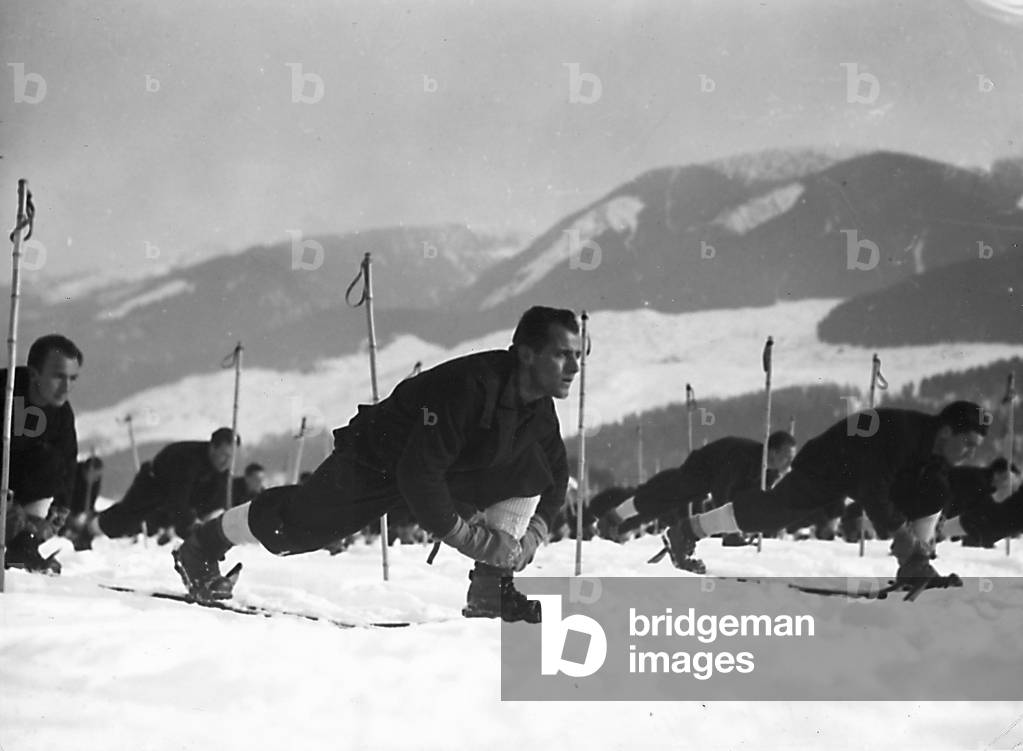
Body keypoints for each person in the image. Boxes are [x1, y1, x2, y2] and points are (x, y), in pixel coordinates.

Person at [174, 306, 580, 623]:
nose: (575, 369)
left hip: (440, 471)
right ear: (526, 354)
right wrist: (479, 542)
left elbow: (555, 479)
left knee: (528, 466)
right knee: (297, 528)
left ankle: (492, 589)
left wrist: (525, 543)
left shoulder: (539, 409)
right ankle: (202, 546)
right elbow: (419, 476)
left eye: (578, 356)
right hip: (379, 457)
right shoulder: (470, 387)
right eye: (563, 355)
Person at [662, 401, 988, 580]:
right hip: (831, 463)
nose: (970, 453)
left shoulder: (933, 451)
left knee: (936, 488)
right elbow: (873, 489)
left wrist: (919, 546)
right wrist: (901, 535)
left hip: (865, 472)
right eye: (967, 444)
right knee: (770, 512)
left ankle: (917, 565)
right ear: (946, 432)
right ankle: (688, 529)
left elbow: (925, 494)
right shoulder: (905, 437)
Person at [587, 432, 797, 543]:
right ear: (773, 452)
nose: (789, 463)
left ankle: (615, 524)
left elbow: (754, 501)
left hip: (707, 487)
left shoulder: (769, 474)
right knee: (654, 498)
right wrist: (729, 530)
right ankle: (612, 519)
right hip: (697, 473)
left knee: (657, 506)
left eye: (791, 458)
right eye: (786, 456)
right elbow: (721, 490)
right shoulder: (743, 455)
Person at [1, 334, 83, 573]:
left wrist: (53, 518)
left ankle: (22, 547)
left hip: (19, 490)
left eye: (73, 378)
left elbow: (67, 467)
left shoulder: (62, 416)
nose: (66, 387)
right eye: (58, 376)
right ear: (34, 373)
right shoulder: (5, 391)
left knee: (50, 462)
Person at [91, 428, 237, 541]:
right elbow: (179, 500)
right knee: (127, 518)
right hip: (152, 484)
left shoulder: (222, 469)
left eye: (231, 456)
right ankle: (91, 529)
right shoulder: (188, 460)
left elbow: (215, 501)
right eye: (224, 455)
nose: (227, 461)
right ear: (213, 447)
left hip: (176, 495)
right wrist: (189, 530)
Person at [940, 457, 1021, 547]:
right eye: (1007, 478)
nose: (1010, 484)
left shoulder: (983, 481)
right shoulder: (979, 482)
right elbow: (967, 510)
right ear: (999, 473)